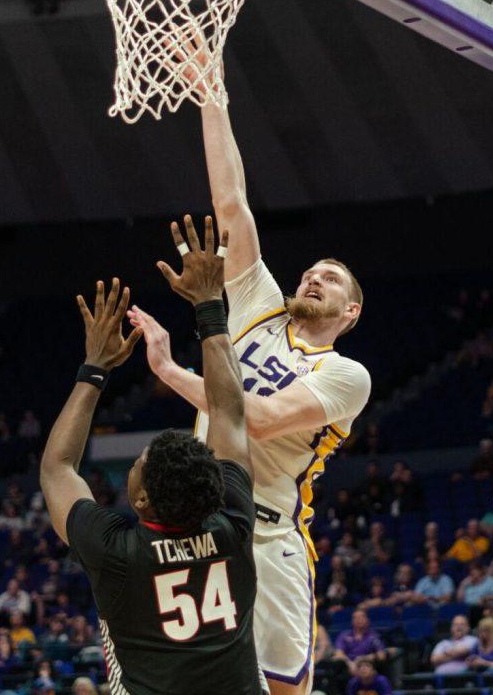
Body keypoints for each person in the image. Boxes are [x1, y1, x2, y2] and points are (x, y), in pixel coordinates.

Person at [137, 61, 372, 695]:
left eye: (331, 278)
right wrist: (212, 91)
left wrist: (169, 371)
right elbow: (231, 204)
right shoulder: (259, 303)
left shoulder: (346, 374)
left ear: (350, 312)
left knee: (285, 691)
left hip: (269, 533)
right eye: (311, 272)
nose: (312, 278)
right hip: (199, 522)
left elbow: (257, 421)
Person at [41, 220, 263, 694]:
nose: (135, 468)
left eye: (137, 466)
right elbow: (228, 409)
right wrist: (208, 306)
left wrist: (94, 368)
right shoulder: (234, 523)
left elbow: (57, 468)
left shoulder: (115, 550)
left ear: (141, 502)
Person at [334, 609, 386, 675]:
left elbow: (381, 656)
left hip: (367, 665)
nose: (359, 620)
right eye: (355, 618)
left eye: (362, 617)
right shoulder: (344, 635)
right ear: (352, 621)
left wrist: (362, 659)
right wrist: (350, 663)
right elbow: (339, 654)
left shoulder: (374, 636)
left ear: (368, 620)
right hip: (347, 666)